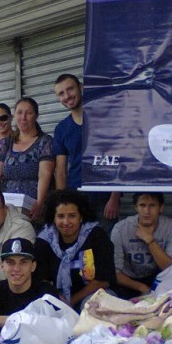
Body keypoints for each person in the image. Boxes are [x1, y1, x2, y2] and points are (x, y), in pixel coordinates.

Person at [53, 74, 120, 232]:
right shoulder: (61, 129)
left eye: (70, 89)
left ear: (81, 88)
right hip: (76, 198)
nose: (67, 96)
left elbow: (119, 157)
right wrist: (61, 204)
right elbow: (61, 171)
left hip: (105, 197)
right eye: (61, 93)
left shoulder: (105, 119)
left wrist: (115, 197)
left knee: (105, 247)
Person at [34, 190, 116, 309]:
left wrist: (71, 301)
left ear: (81, 217)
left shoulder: (96, 236)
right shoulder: (44, 240)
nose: (66, 222)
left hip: (92, 294)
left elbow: (104, 280)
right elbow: (40, 280)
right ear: (54, 218)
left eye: (72, 216)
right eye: (61, 216)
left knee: (93, 306)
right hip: (56, 298)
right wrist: (57, 299)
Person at [0, 97, 54, 221]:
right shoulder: (6, 143)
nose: (23, 117)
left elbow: (45, 174)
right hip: (6, 209)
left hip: (32, 209)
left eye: (28, 113)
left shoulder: (44, 142)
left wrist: (39, 203)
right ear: (14, 116)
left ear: (36, 116)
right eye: (19, 112)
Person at [111, 193, 172, 297]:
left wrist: (149, 240)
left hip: (158, 278)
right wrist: (141, 287)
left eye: (152, 205)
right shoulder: (120, 228)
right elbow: (115, 272)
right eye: (142, 205)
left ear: (161, 208)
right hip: (127, 280)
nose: (147, 211)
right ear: (136, 207)